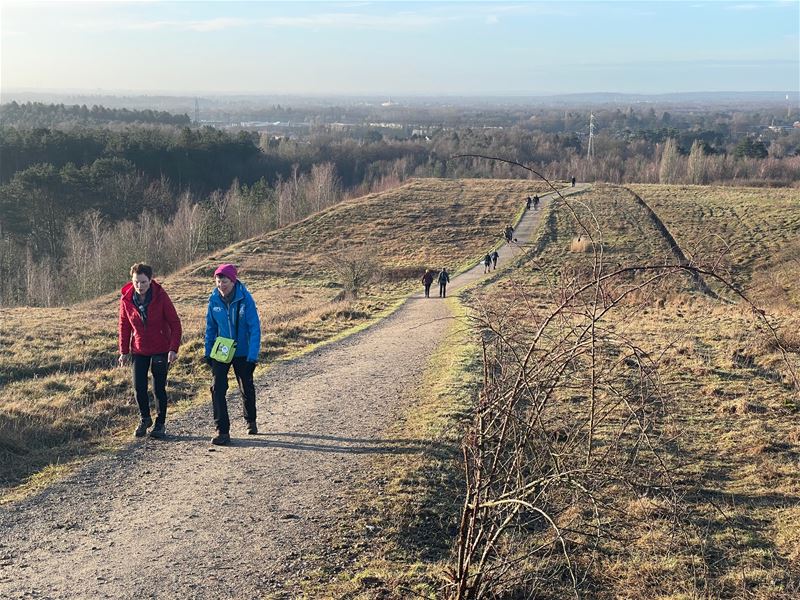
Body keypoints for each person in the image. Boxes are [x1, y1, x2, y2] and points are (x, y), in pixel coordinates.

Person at [118, 263, 182, 439]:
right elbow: (124, 326)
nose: (140, 286)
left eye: (144, 282)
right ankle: (145, 419)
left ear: (150, 280)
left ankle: (160, 423)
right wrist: (124, 351)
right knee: (138, 387)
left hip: (161, 348)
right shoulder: (127, 299)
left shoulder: (160, 296)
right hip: (139, 349)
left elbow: (175, 323)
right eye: (136, 282)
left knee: (158, 388)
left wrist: (173, 348)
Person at [204, 264, 262, 446]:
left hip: (243, 351)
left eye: (225, 281)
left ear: (233, 281)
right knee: (217, 388)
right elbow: (210, 328)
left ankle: (250, 419)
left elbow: (254, 328)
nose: (221, 285)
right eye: (218, 281)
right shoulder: (213, 300)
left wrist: (252, 356)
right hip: (222, 350)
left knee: (246, 386)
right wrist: (208, 352)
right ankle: (222, 431)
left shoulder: (245, 298)